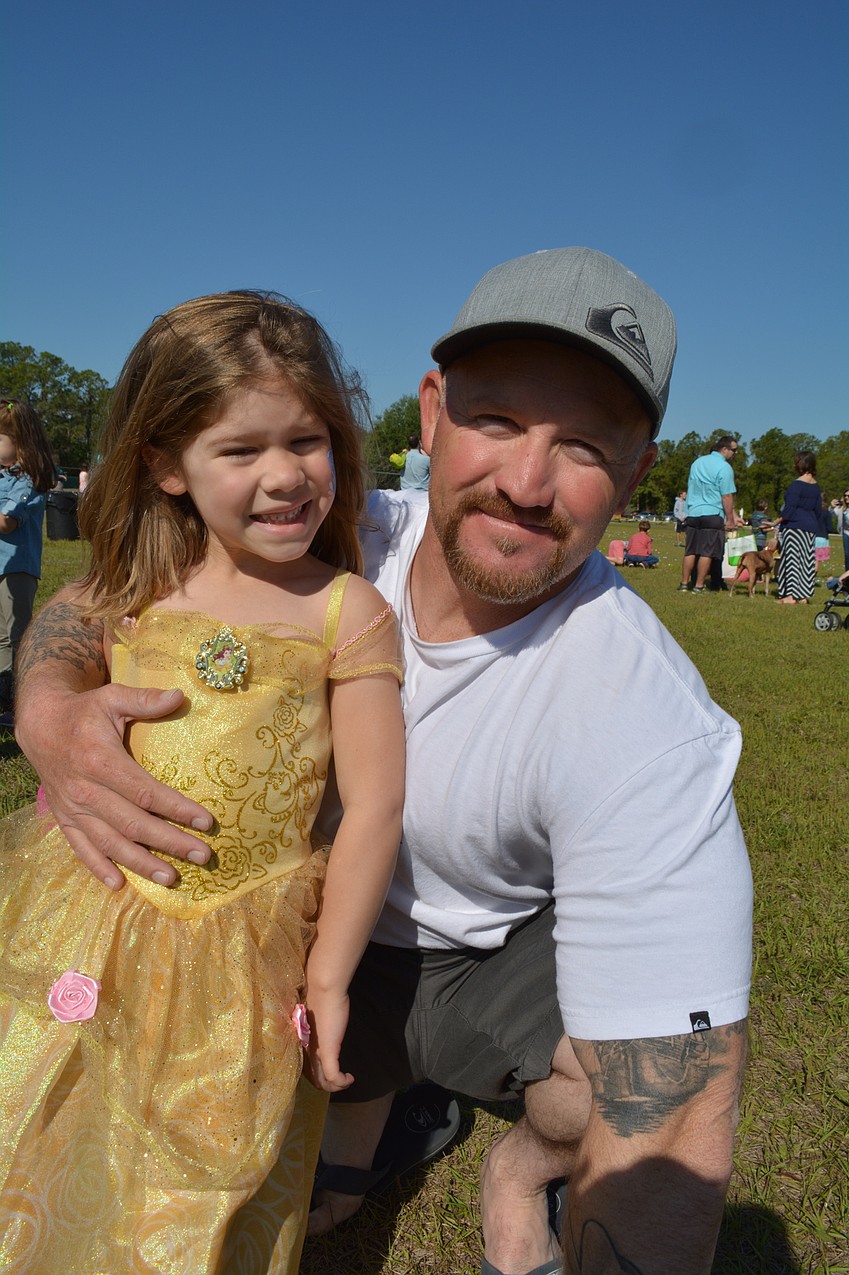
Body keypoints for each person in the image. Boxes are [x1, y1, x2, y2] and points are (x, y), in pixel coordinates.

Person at [13, 249, 752, 1275]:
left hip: (472, 956)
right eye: (498, 420)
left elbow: (676, 1102)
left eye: (582, 445)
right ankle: (373, 1115)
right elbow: (98, 596)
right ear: (433, 413)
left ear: (636, 473)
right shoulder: (327, 523)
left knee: (608, 1082)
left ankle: (515, 1166)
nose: (525, 483)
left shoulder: (648, 722)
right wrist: (48, 706)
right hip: (270, 927)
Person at [0, 291, 405, 1274]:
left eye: (306, 440)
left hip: (245, 947)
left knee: (208, 1154)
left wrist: (330, 973)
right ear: (165, 466)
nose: (285, 474)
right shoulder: (132, 584)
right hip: (98, 911)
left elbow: (375, 804)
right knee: (60, 1112)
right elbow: (61, 654)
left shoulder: (346, 610)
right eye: (241, 449)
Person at [0, 398, 56, 725]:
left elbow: (6, 522)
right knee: (1, 635)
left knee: (15, 635)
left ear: (19, 443)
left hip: (17, 569)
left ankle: (16, 701)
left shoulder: (28, 480)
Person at [678, 436, 743, 593]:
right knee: (707, 552)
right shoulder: (725, 467)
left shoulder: (698, 462)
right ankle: (699, 586)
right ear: (724, 449)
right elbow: (726, 496)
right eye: (734, 450)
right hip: (712, 513)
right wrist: (730, 519)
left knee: (690, 551)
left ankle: (684, 584)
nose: (735, 453)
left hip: (693, 512)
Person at [774, 450, 821, 605]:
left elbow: (789, 509)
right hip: (810, 527)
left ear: (800, 464)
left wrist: (775, 522)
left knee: (792, 560)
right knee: (806, 562)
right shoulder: (816, 486)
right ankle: (803, 595)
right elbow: (818, 510)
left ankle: (791, 596)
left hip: (794, 526)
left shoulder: (796, 485)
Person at [836, 488, 849, 571]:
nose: (846, 497)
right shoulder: (842, 508)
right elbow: (832, 514)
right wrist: (832, 506)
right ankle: (847, 575)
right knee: (847, 555)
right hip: (846, 533)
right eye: (845, 495)